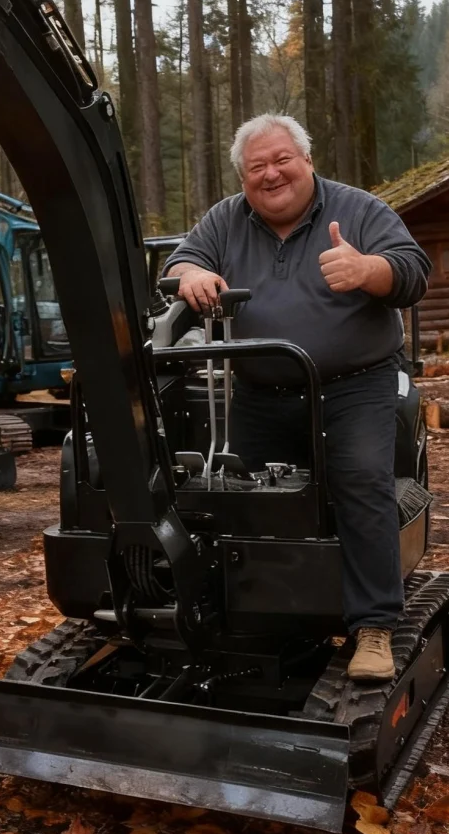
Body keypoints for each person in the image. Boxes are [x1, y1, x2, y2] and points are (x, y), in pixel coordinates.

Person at [163, 114, 431, 682]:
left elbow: (413, 272)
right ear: (242, 176)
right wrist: (190, 274)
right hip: (262, 388)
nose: (271, 174)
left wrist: (368, 269)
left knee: (360, 482)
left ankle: (374, 627)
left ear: (307, 160)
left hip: (354, 384)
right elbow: (181, 261)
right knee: (242, 496)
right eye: (256, 167)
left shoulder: (358, 209)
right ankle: (266, 615)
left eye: (282, 159)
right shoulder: (225, 221)